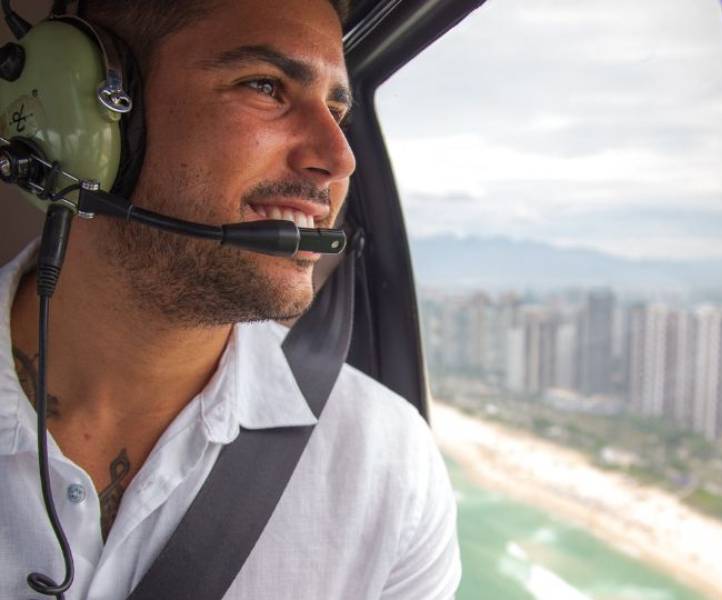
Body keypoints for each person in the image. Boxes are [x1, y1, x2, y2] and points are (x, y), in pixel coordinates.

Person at [0, 0, 461, 598]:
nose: (339, 159)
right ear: (88, 118)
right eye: (266, 87)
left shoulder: (391, 470)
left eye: (337, 110)